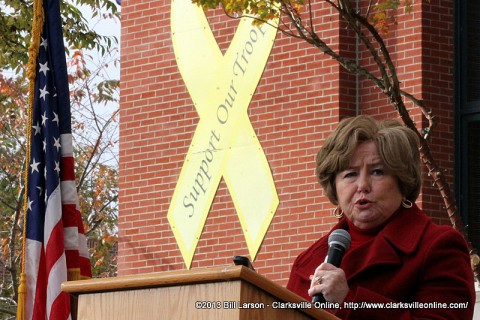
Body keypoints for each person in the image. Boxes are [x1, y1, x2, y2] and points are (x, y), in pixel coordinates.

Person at [286, 115, 475, 319]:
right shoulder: (307, 263)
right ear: (335, 188)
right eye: (350, 174)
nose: (362, 185)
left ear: (403, 183)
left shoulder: (438, 246)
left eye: (377, 172)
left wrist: (349, 302)